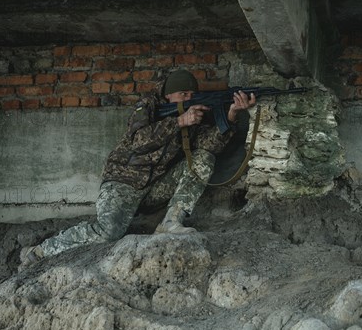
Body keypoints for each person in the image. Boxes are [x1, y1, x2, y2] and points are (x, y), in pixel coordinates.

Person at [20, 69, 256, 267]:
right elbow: (139, 142)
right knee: (108, 232)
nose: (188, 99)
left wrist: (232, 115)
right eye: (182, 94)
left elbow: (208, 147)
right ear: (168, 96)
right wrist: (178, 122)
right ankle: (40, 251)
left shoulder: (193, 115)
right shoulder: (148, 107)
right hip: (123, 184)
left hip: (154, 189)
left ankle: (171, 221)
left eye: (191, 94)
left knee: (203, 157)